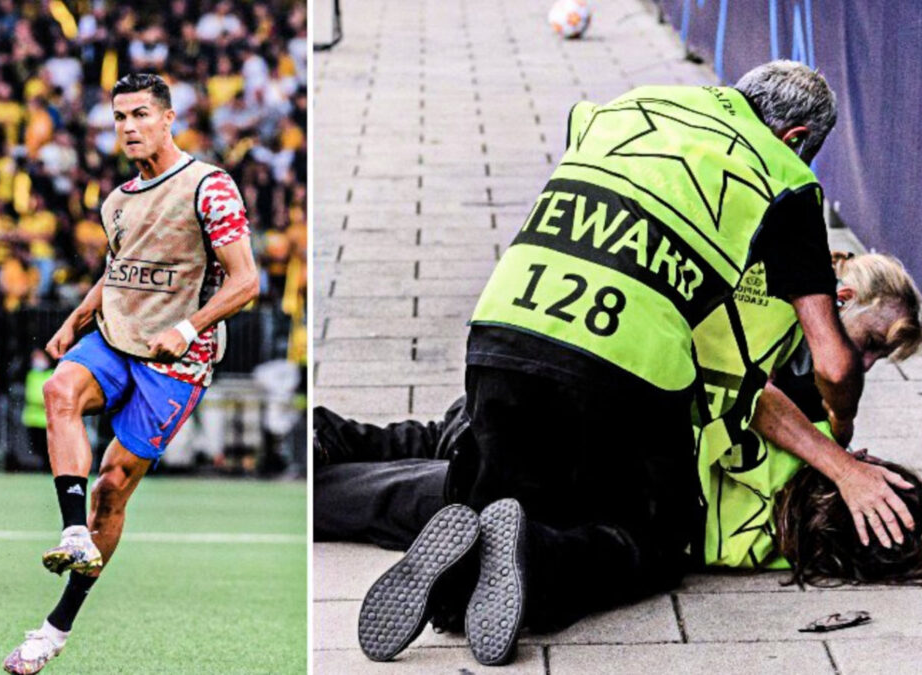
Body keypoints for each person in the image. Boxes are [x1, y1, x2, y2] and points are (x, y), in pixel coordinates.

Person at [352, 61, 866, 666]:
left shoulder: (632, 104)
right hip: (618, 374)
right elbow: (833, 363)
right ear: (797, 138)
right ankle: (525, 562)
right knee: (648, 540)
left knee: (505, 505)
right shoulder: (783, 177)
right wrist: (841, 436)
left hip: (501, 334)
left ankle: (462, 572)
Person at [318, 252, 921, 636]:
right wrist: (837, 458)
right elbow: (742, 390)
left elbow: (737, 420)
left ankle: (327, 448)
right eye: (869, 343)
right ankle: (471, 550)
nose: (862, 363)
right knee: (453, 480)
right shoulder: (774, 542)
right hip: (589, 394)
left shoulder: (805, 427)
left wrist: (836, 452)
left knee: (451, 451)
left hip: (552, 373)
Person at [3, 73, 259, 674]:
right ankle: (71, 536)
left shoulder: (208, 187)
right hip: (116, 340)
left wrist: (189, 328)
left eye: (141, 114)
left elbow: (247, 281)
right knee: (58, 388)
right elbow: (120, 271)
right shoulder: (116, 200)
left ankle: (55, 628)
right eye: (119, 117)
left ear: (169, 119)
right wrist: (77, 317)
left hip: (177, 362)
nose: (129, 127)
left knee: (112, 488)